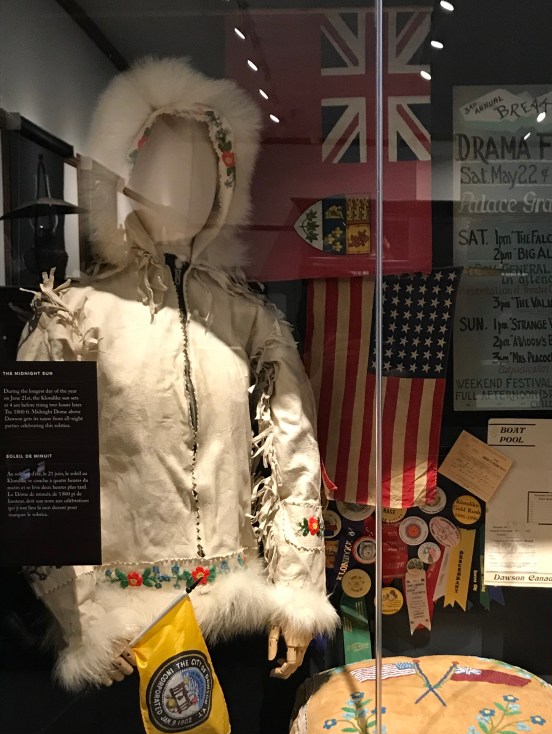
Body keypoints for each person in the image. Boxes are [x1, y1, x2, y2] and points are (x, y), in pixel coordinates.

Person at [17, 58, 338, 689]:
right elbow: (38, 477)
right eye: (165, 161)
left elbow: (294, 458)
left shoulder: (249, 320)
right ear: (124, 172)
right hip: (121, 636)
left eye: (209, 167)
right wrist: (81, 622)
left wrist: (298, 593)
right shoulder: (73, 319)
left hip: (240, 627)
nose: (190, 185)